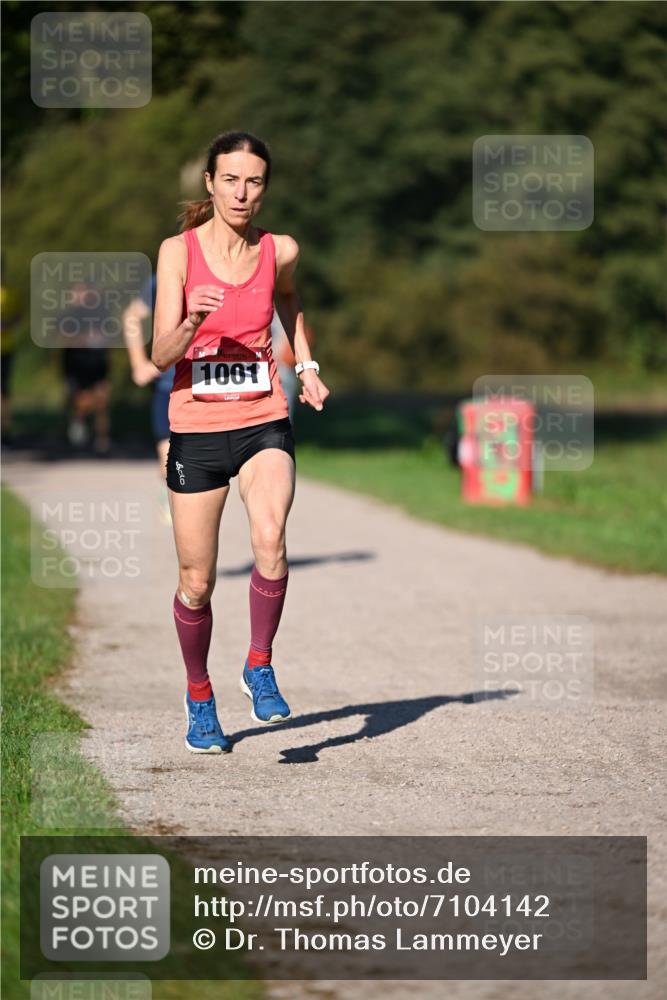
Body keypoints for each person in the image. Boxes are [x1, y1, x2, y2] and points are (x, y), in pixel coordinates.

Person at [151, 130, 329, 754]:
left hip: (262, 420)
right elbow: (158, 354)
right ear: (210, 183)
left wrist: (305, 367)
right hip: (196, 430)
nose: (242, 192)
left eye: (253, 181)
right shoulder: (178, 253)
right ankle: (199, 696)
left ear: (264, 188)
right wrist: (193, 319)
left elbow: (290, 302)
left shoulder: (280, 249)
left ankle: (259, 664)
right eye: (230, 179)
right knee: (196, 583)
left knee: (271, 537)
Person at [122, 270, 176, 523]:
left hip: (211, 385)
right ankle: (171, 498)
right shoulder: (163, 279)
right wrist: (138, 364)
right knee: (168, 454)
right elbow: (132, 317)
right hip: (169, 385)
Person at [60, 281, 112, 456]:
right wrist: (84, 340)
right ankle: (78, 421)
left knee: (102, 401)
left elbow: (110, 334)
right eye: (76, 293)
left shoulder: (100, 313)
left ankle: (102, 441)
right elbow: (63, 338)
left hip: (97, 362)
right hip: (75, 364)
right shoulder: (67, 316)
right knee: (81, 401)